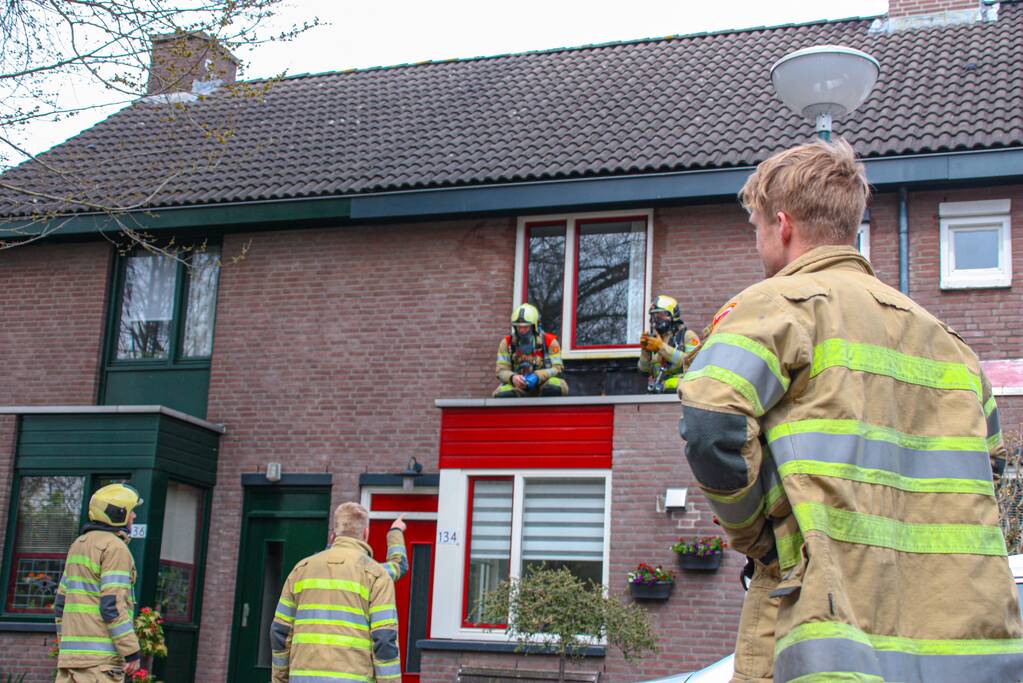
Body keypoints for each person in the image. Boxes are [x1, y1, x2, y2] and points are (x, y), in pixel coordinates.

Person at [678, 139, 1023, 683]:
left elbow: (709, 422)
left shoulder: (776, 305)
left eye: (758, 229)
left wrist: (760, 541)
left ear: (783, 225)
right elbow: (991, 468)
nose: (760, 244)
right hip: (969, 644)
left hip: (829, 626)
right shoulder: (953, 346)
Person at [271, 503, 408, 682]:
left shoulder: (301, 570)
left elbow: (280, 632)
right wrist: (395, 532)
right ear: (366, 534)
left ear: (333, 535)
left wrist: (280, 680)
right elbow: (384, 639)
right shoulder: (376, 575)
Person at [54, 483, 144, 682]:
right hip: (100, 664)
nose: (134, 517)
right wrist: (131, 651)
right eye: (131, 512)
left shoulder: (78, 545)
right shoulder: (115, 548)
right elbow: (112, 605)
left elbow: (60, 603)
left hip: (70, 663)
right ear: (119, 514)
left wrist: (66, 647)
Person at [493, 302, 568, 397]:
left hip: (543, 384)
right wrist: (513, 378)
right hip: (518, 387)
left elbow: (557, 369)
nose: (522, 330)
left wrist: (537, 376)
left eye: (526, 327)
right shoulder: (507, 343)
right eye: (519, 327)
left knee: (555, 385)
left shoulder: (549, 342)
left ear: (534, 326)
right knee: (503, 392)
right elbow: (500, 371)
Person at [639, 294, 701, 393]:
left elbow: (695, 364)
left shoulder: (687, 336)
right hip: (661, 397)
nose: (655, 319)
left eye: (660, 314)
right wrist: (645, 351)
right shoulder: (656, 341)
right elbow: (644, 372)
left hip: (682, 396)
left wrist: (661, 347)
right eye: (653, 315)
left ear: (672, 316)